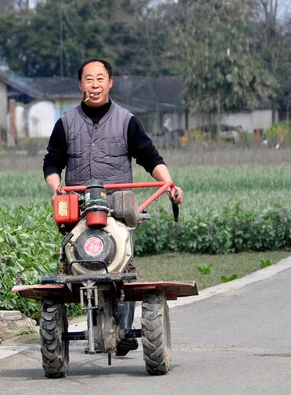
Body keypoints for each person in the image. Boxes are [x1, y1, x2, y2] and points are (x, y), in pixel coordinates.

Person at [42, 59, 183, 356]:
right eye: (89, 79)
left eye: (100, 79)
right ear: (80, 84)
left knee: (121, 263)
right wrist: (56, 187)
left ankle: (123, 329)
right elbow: (52, 163)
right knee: (75, 260)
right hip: (79, 206)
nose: (94, 85)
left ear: (110, 82)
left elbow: (149, 157)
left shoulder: (127, 121)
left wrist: (169, 183)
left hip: (118, 207)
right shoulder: (65, 123)